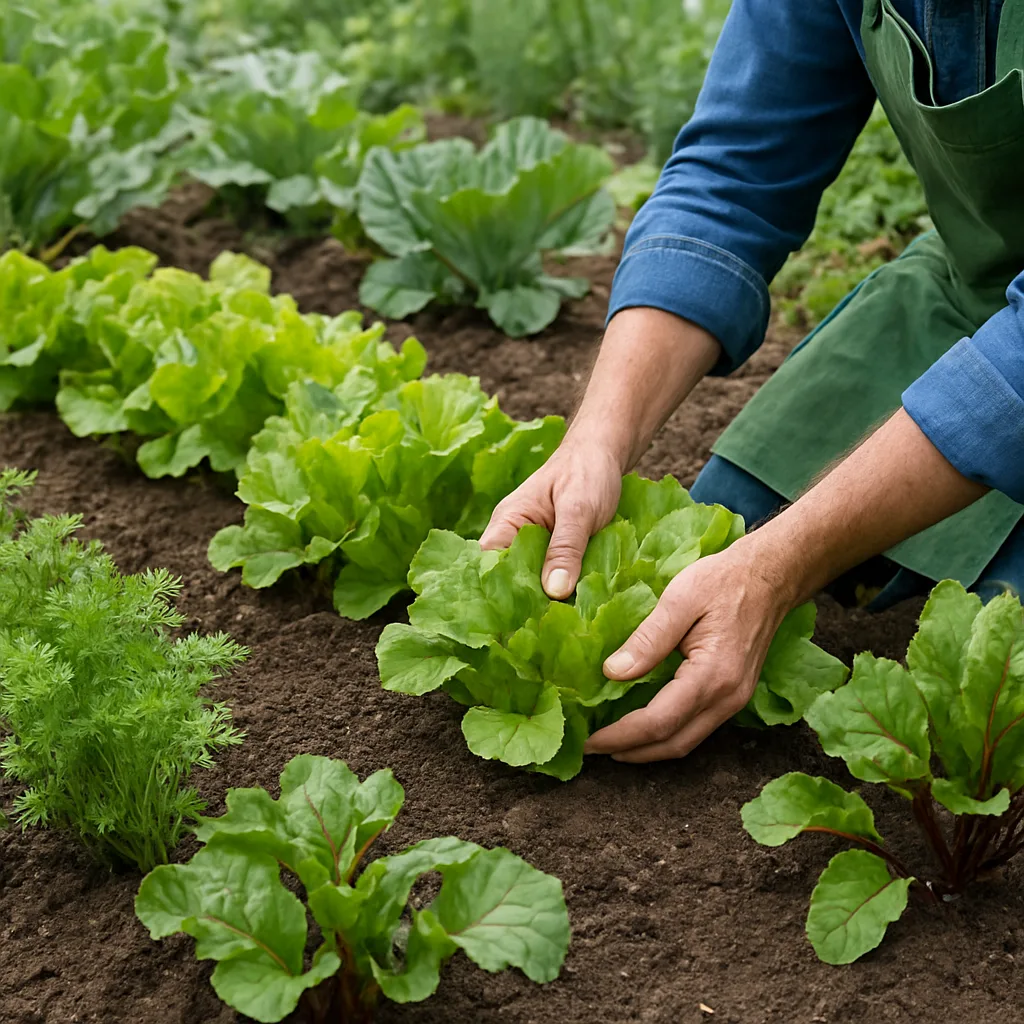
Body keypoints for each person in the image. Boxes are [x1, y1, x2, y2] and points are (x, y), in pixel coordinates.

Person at [479, 0, 1024, 764]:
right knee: (718, 532)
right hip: (969, 294)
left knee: (991, 671)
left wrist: (778, 568)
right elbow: (735, 173)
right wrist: (595, 440)